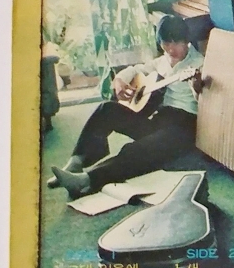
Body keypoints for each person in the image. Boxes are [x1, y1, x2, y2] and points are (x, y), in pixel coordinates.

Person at [49, 15, 205, 198]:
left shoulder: (199, 63)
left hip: (183, 127)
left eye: (176, 43)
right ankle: (76, 162)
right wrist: (119, 79)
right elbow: (136, 69)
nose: (171, 49)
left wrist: (196, 88)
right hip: (160, 119)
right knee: (106, 109)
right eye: (166, 43)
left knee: (136, 150)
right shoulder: (162, 61)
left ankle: (86, 180)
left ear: (186, 40)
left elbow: (208, 103)